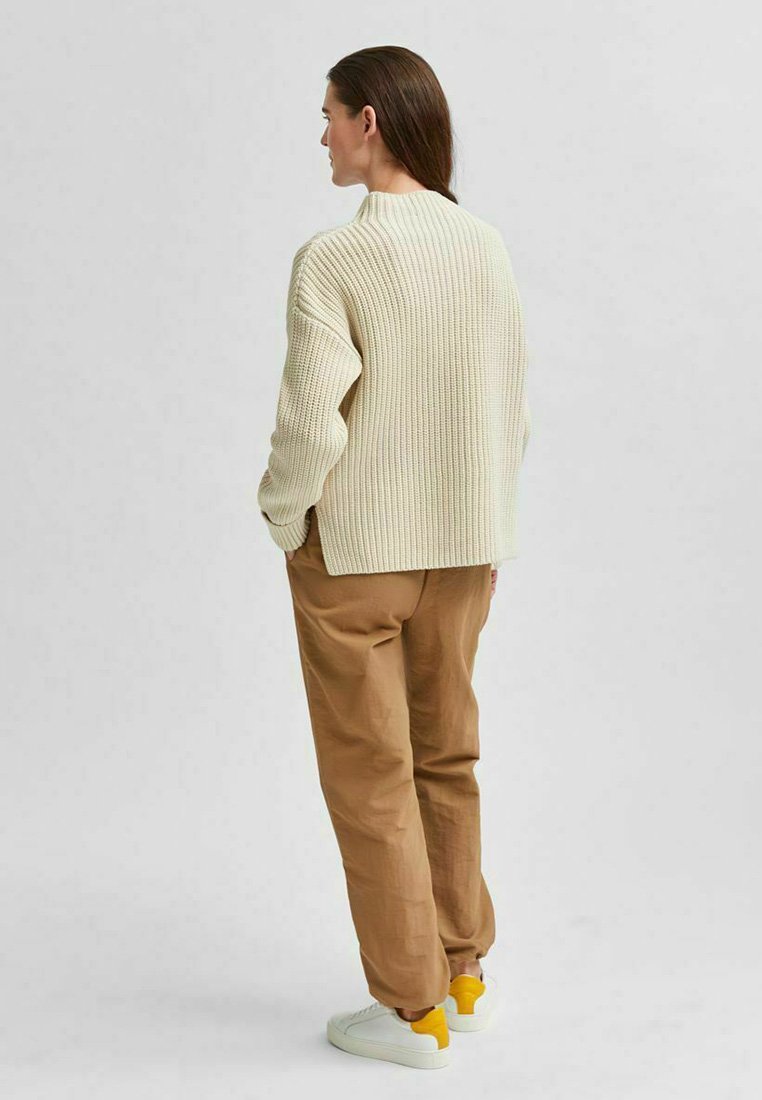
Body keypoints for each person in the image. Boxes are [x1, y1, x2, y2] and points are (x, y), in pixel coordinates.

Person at [257, 45, 530, 1071]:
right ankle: (462, 976)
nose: (321, 134)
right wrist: (490, 528)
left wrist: (283, 516)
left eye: (329, 114)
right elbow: (511, 406)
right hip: (466, 551)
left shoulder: (334, 258)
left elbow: (310, 423)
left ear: (368, 120)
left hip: (359, 553)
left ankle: (411, 1012)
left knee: (372, 778)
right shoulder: (484, 246)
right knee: (445, 756)